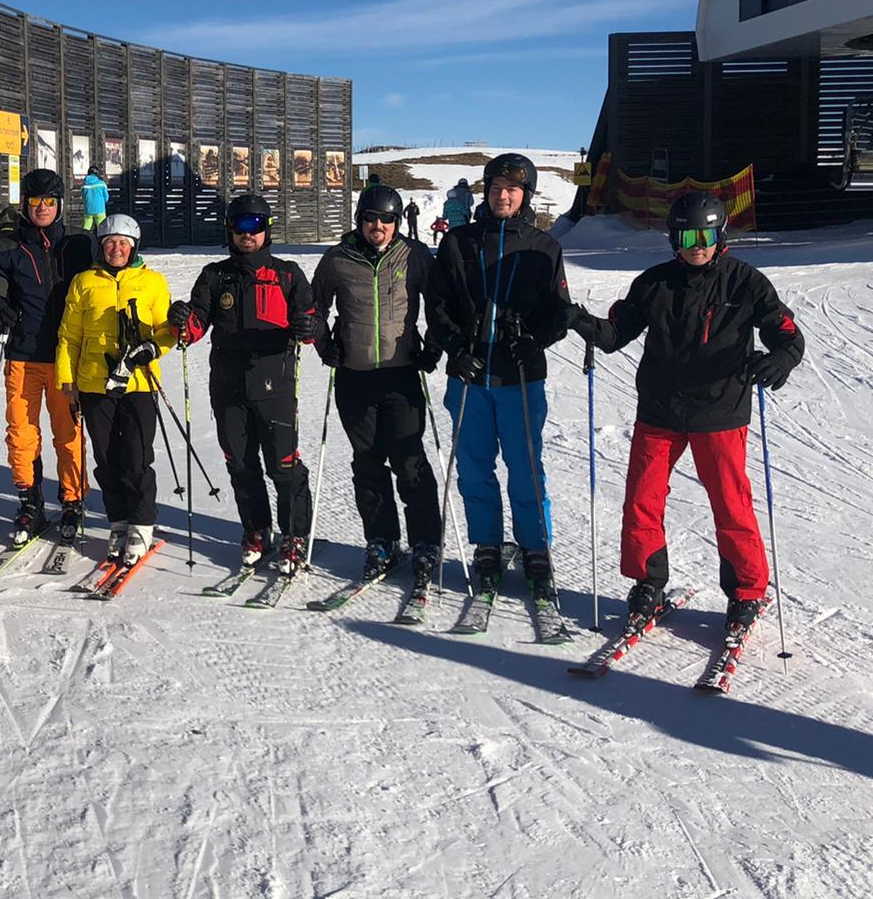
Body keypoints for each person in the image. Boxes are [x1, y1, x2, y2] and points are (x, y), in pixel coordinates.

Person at [561, 192, 804, 635]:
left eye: (706, 236)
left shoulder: (744, 282)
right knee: (642, 499)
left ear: (720, 235)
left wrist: (781, 359)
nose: (698, 245)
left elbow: (786, 333)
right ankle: (647, 583)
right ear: (674, 238)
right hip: (660, 409)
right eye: (688, 236)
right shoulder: (654, 283)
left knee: (730, 503)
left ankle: (747, 591)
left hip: (720, 411)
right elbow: (616, 334)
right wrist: (584, 323)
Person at [427, 153, 570, 601]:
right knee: (474, 468)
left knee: (525, 468)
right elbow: (437, 305)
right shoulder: (458, 243)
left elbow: (558, 311)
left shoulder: (544, 247)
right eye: (495, 188)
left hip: (520, 379)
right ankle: (486, 544)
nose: (502, 196)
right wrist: (456, 348)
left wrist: (535, 341)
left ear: (525, 195)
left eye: (512, 189)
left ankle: (535, 548)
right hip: (470, 378)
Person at [169, 194, 316, 575]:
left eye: (255, 225)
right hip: (228, 386)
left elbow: (311, 320)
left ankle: (294, 534)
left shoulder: (287, 274)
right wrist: (181, 319)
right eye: (239, 226)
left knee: (283, 465)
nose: (247, 234)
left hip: (274, 385)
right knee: (240, 464)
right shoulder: (215, 275)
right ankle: (257, 531)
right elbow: (196, 325)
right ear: (229, 230)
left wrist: (308, 327)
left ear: (267, 229)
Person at [311, 185, 442, 585]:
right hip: (355, 375)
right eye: (371, 218)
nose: (378, 226)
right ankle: (382, 540)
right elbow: (314, 309)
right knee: (367, 462)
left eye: (387, 219)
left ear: (397, 222)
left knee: (409, 461)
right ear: (360, 220)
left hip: (401, 374)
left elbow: (440, 305)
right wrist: (325, 345)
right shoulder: (337, 258)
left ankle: (426, 543)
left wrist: (433, 347)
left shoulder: (415, 256)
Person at [0, 168, 95, 547]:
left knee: (68, 432)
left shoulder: (79, 245)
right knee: (21, 430)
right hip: (23, 353)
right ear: (25, 204)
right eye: (35, 201)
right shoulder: (9, 247)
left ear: (60, 204)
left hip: (66, 357)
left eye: (49, 201)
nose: (42, 208)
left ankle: (72, 500)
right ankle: (30, 500)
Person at [57, 214, 176, 565]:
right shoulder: (84, 281)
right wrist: (67, 378)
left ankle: (141, 523)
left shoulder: (152, 281)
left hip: (139, 382)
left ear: (134, 247)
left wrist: (153, 348)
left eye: (124, 243)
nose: (117, 249)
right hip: (94, 382)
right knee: (107, 458)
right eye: (110, 242)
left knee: (136, 456)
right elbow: (69, 335)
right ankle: (118, 521)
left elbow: (167, 329)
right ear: (101, 246)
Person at [82, 164, 109, 232]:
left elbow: (83, 196)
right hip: (100, 209)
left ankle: (84, 236)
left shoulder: (84, 184)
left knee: (86, 226)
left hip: (88, 209)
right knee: (102, 227)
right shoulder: (102, 184)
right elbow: (106, 197)